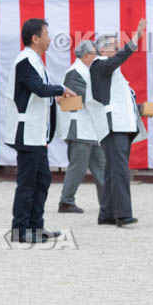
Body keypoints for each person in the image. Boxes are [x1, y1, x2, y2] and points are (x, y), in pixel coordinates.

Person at [1, 18, 75, 243]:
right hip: (27, 132)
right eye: (46, 34)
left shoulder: (35, 61)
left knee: (42, 179)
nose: (49, 39)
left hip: (36, 132)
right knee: (28, 181)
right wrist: (61, 88)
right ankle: (20, 228)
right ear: (35, 38)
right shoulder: (25, 61)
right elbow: (39, 89)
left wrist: (57, 95)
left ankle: (35, 225)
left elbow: (41, 92)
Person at [90, 20, 148, 227]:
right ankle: (123, 214)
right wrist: (135, 39)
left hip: (119, 127)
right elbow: (120, 58)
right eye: (115, 47)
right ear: (103, 49)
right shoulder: (99, 65)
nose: (118, 51)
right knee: (120, 171)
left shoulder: (111, 72)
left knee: (113, 172)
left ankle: (106, 213)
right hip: (113, 127)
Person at [56, 39, 108, 216]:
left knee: (101, 166)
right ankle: (66, 201)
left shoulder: (84, 71)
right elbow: (87, 97)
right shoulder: (74, 72)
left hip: (91, 127)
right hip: (78, 126)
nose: (98, 56)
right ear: (86, 56)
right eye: (95, 54)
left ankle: (107, 201)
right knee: (78, 166)